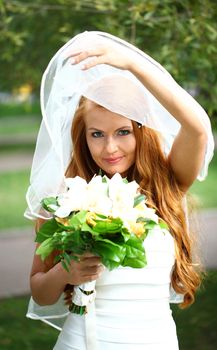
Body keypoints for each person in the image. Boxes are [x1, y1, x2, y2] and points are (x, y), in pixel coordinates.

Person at [25, 31, 214, 349]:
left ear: (142, 130)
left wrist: (133, 65)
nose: (110, 147)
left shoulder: (167, 184)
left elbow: (197, 126)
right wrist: (64, 273)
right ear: (82, 136)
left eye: (123, 131)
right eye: (96, 134)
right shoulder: (65, 198)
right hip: (84, 342)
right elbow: (41, 293)